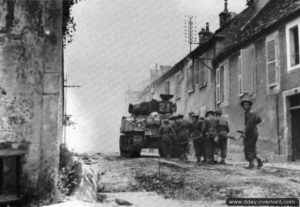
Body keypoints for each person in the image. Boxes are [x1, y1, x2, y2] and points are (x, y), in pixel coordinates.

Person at [240, 98, 263, 169]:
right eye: (243, 105)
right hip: (255, 131)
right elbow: (259, 119)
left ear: (250, 105)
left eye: (246, 104)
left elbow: (249, 124)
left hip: (250, 132)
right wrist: (254, 124)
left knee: (248, 147)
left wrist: (245, 132)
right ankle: (259, 159)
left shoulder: (249, 113)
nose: (244, 106)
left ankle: (251, 164)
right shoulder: (254, 112)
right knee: (253, 147)